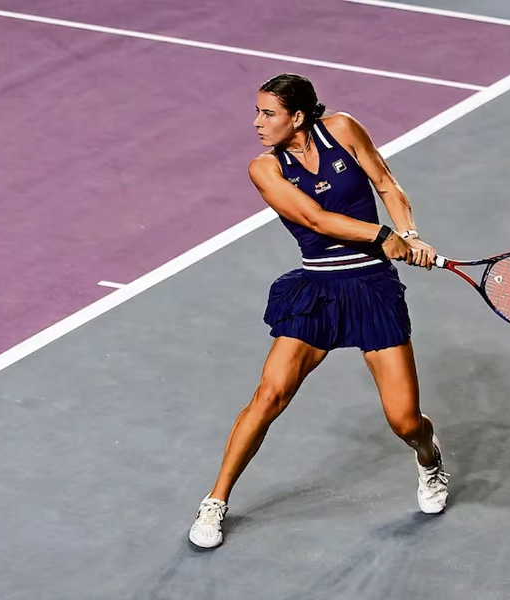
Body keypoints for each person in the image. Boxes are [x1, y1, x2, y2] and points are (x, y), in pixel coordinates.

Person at [189, 73, 448, 549]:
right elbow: (315, 218)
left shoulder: (343, 129)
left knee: (405, 421)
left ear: (297, 116)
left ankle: (429, 458)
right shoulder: (265, 168)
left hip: (371, 289)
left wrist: (410, 235)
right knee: (269, 396)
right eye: (258, 111)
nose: (257, 122)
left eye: (268, 113)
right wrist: (383, 236)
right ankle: (215, 500)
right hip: (318, 292)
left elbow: (386, 184)